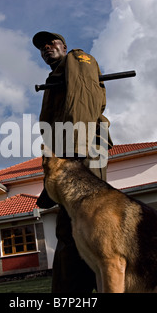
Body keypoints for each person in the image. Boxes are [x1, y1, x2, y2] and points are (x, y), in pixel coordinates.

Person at [32, 31, 112, 292]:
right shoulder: (55, 76)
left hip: (84, 146)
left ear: (64, 46)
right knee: (69, 224)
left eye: (51, 43)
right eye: (41, 47)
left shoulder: (78, 58)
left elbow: (83, 98)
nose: (46, 47)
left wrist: (75, 151)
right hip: (67, 151)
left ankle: (102, 283)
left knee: (90, 216)